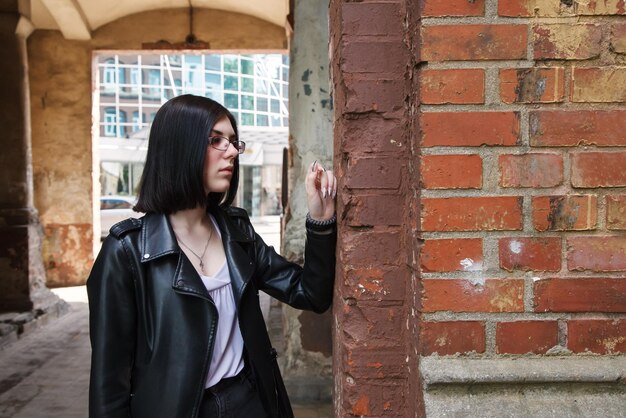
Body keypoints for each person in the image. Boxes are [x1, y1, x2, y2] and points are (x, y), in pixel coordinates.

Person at [87, 94, 337, 418]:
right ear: (180, 147)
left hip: (250, 403)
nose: (232, 151)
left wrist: (320, 219)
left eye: (233, 141)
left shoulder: (237, 232)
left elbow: (310, 293)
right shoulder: (126, 252)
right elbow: (109, 389)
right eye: (215, 140)